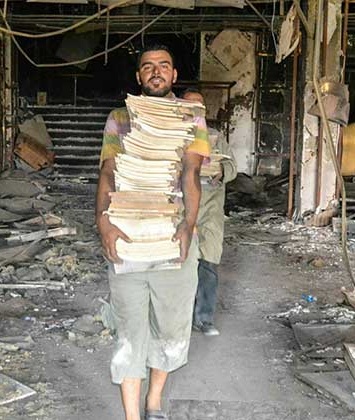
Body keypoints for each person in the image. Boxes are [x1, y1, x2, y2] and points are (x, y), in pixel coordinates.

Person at [96, 45, 210, 420]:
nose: (156, 72)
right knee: (129, 328)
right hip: (127, 236)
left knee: (171, 325)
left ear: (175, 75)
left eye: (164, 65)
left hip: (172, 233)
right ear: (139, 77)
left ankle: (154, 403)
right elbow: (108, 173)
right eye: (147, 67)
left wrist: (188, 228)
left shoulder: (191, 118)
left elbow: (191, 174)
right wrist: (103, 221)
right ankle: (132, 416)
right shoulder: (119, 118)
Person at [182, 89, 237, 337]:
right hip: (181, 208)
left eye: (200, 106)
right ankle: (178, 319)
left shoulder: (215, 137)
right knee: (179, 264)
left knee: (208, 263)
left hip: (211, 209)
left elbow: (232, 165)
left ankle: (203, 318)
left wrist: (220, 171)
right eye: (190, 105)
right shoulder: (173, 134)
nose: (196, 110)